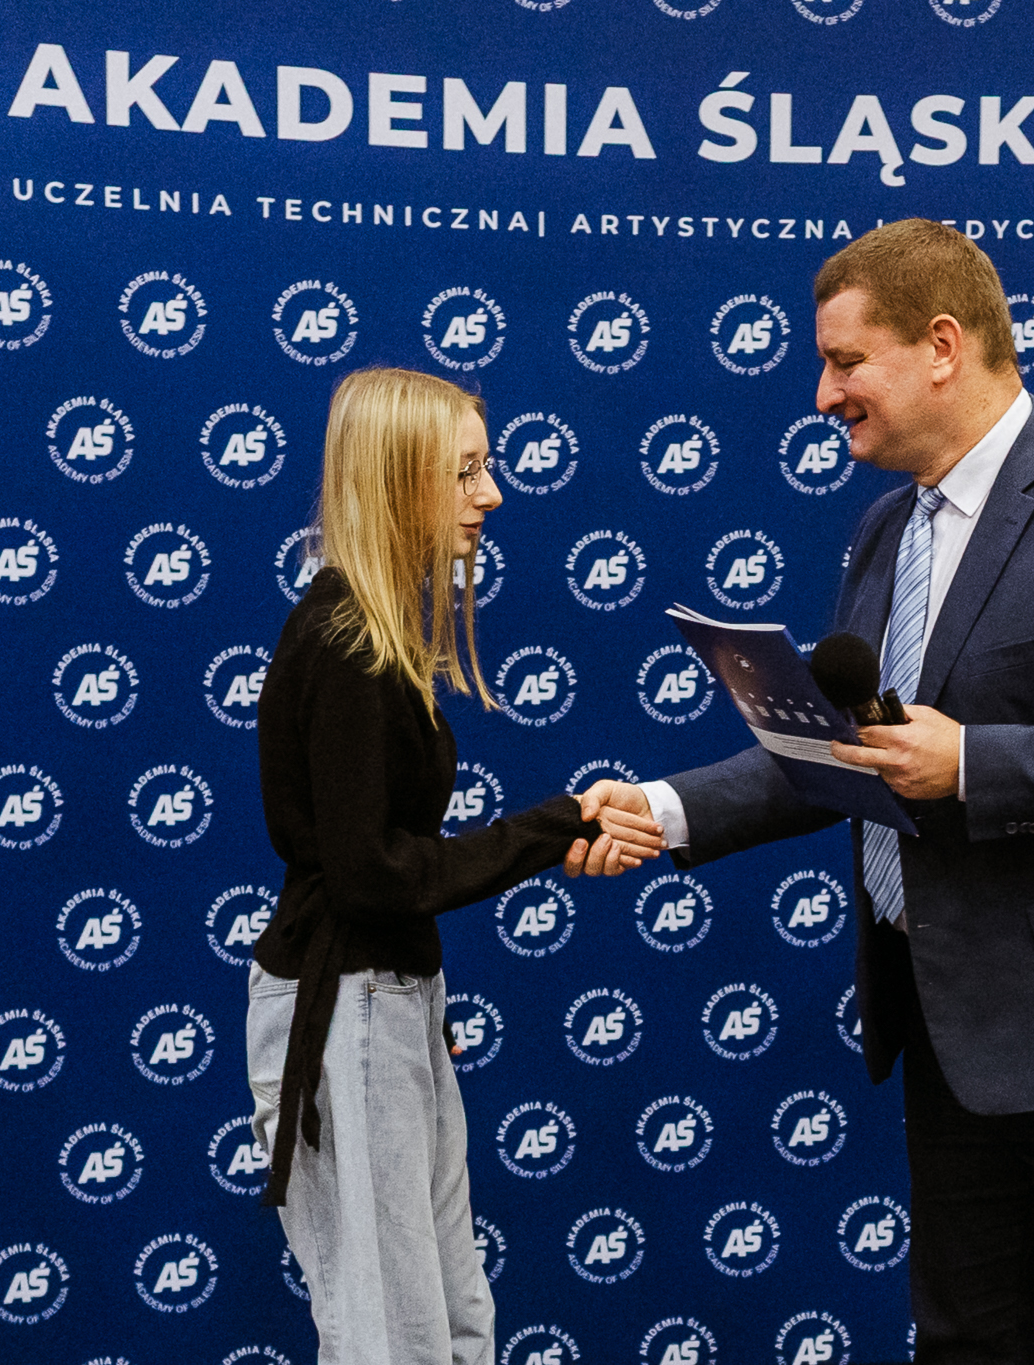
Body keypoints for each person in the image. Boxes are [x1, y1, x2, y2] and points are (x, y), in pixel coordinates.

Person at [575, 220, 1034, 1364]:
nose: (823, 395)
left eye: (845, 361)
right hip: (957, 1034)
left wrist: (972, 764)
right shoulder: (884, 531)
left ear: (942, 346)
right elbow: (846, 752)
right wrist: (663, 810)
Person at [246, 367, 664, 1365]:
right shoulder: (347, 640)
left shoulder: (371, 628)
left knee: (450, 1317)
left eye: (487, 467)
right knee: (394, 1334)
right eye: (466, 472)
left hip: (386, 999)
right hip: (348, 1003)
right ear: (398, 481)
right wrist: (551, 827)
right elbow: (372, 874)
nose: (492, 495)